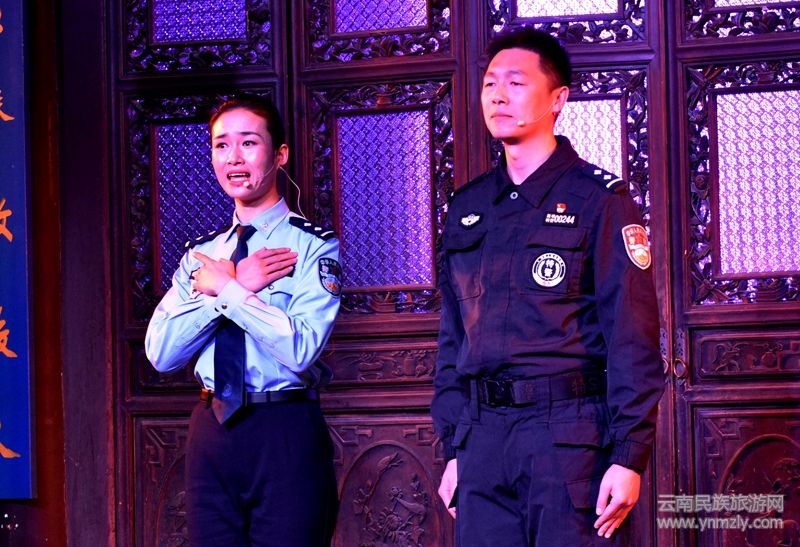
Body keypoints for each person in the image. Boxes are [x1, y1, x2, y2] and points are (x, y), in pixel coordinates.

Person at [431, 27, 665, 545]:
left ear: (558, 98)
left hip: (567, 439)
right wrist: (453, 448)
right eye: (490, 83)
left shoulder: (599, 200)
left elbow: (633, 337)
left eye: (515, 83)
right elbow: (453, 339)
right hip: (481, 440)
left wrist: (629, 456)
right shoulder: (469, 206)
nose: (497, 95)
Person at [145, 95, 341, 546]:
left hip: (284, 429)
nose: (233, 157)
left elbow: (300, 349)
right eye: (221, 145)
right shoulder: (202, 255)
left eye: (248, 143)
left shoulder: (313, 246)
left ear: (280, 154)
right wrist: (231, 287)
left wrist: (230, 291)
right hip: (211, 431)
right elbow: (161, 353)